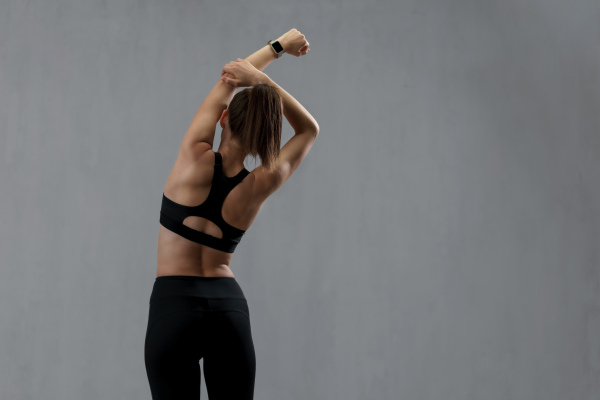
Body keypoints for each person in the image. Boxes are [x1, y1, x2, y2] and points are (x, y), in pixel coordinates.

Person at [144, 28, 319, 400]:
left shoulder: (194, 155)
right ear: (264, 137)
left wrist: (276, 49)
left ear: (224, 119)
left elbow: (228, 76)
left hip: (173, 304)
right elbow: (309, 129)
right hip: (228, 307)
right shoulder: (263, 181)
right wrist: (263, 83)